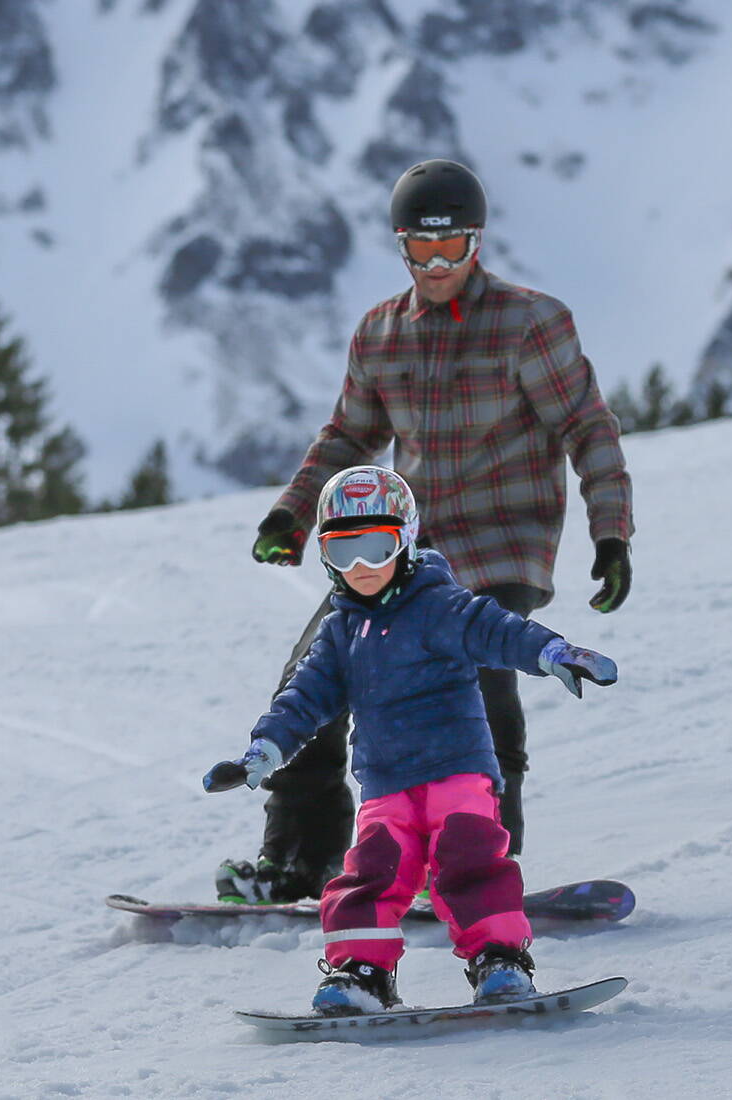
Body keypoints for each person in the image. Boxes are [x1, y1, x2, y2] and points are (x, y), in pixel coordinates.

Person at [218, 158, 634, 904]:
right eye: (422, 251)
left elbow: (586, 426)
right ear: (401, 246)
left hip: (504, 541)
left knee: (477, 683)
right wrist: (293, 510)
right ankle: (299, 859)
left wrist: (612, 533)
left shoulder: (530, 323)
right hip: (399, 546)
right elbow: (349, 437)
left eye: (454, 249)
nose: (439, 266)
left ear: (477, 243)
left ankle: (473, 872)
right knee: (315, 673)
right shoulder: (381, 333)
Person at [203, 466, 618, 1014]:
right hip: (386, 785)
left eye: (376, 548)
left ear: (405, 541)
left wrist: (552, 652)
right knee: (372, 874)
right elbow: (302, 700)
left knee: (469, 863)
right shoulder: (340, 632)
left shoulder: (436, 605)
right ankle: (362, 972)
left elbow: (497, 631)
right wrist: (264, 752)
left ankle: (499, 961)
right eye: (343, 551)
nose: (361, 568)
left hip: (458, 772)